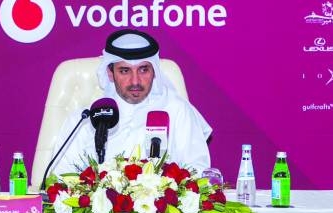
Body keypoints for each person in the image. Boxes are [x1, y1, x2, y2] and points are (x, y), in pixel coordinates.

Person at [49, 29, 212, 175]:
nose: (135, 81)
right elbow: (61, 175)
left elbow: (197, 170)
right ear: (110, 73)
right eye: (125, 71)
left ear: (154, 71)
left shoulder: (177, 110)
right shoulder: (85, 118)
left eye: (143, 69)